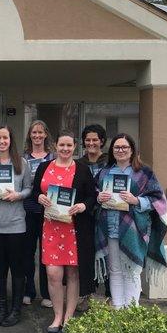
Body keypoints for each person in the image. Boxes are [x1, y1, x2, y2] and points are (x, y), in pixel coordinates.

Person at [32, 130, 96, 333]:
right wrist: (39, 198)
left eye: (69, 146)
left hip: (73, 230)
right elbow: (35, 191)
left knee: (72, 274)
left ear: (75, 147)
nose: (65, 149)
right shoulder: (44, 167)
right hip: (50, 227)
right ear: (55, 146)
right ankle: (57, 315)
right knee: (53, 274)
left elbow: (91, 196)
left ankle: (68, 317)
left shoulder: (83, 169)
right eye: (62, 145)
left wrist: (83, 206)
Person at [94, 133, 167, 309]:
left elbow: (158, 200)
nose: (120, 150)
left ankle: (131, 312)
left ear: (132, 150)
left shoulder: (143, 172)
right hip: (108, 228)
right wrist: (98, 197)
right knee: (114, 271)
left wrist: (136, 201)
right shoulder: (105, 172)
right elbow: (94, 193)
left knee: (133, 271)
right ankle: (118, 310)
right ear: (112, 150)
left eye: (124, 147)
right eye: (117, 147)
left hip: (133, 229)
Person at [0, 125, 32, 327]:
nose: (1, 141)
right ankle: (1, 309)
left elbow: (29, 188)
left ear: (11, 140)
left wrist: (18, 195)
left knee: (17, 270)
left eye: (5, 138)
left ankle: (15, 310)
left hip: (15, 223)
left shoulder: (22, 163)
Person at [77, 123, 110, 309]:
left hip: (107, 214)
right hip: (86, 215)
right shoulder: (79, 164)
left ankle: (110, 294)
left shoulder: (109, 163)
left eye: (95, 140)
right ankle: (86, 294)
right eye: (88, 140)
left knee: (108, 254)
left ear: (102, 141)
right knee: (87, 256)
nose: (91, 143)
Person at [22, 120, 55, 308]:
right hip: (27, 209)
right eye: (34, 133)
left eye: (40, 132)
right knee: (27, 253)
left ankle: (47, 293)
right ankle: (28, 290)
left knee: (46, 253)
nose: (37, 136)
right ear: (30, 135)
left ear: (45, 135)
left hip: (48, 211)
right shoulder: (23, 157)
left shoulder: (52, 157)